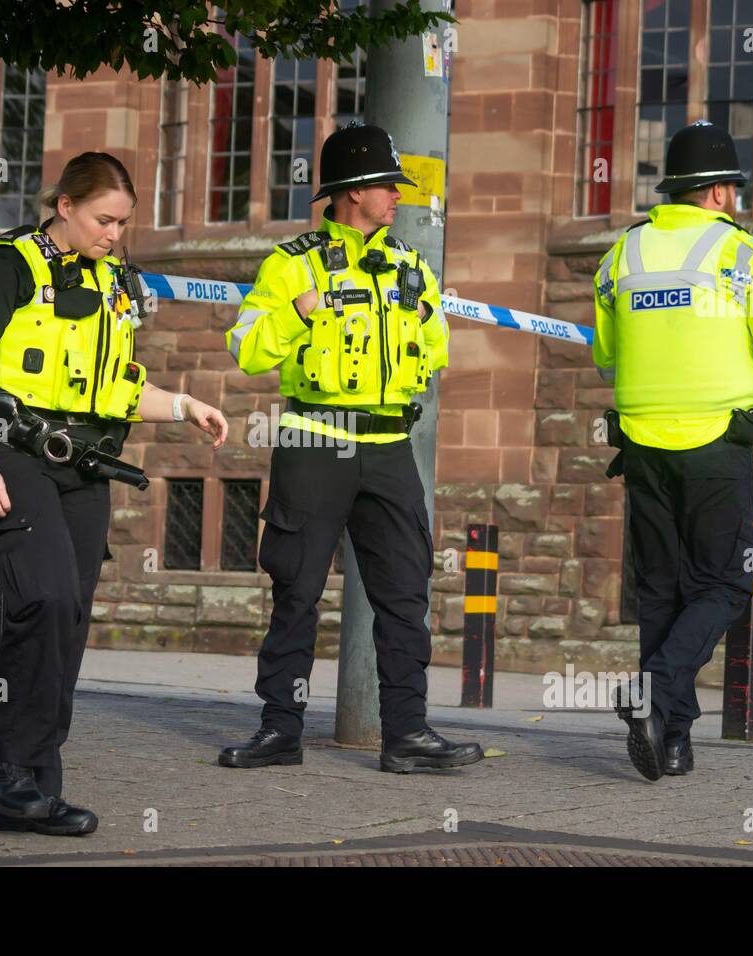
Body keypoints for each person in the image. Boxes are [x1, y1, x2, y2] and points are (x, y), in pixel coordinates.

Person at [0, 151, 229, 836]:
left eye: (123, 223)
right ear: (65, 206)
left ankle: (33, 778)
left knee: (68, 620)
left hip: (88, 466)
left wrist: (184, 403)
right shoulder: (10, 268)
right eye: (104, 219)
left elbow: (121, 387)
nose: (114, 234)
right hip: (15, 454)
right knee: (42, 599)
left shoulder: (115, 285)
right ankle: (12, 772)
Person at [219, 122, 483, 773]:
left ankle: (407, 736)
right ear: (351, 192)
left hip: (390, 444)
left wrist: (426, 323)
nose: (397, 196)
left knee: (405, 595)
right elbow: (247, 346)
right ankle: (280, 730)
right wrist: (297, 313)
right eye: (386, 185)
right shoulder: (292, 264)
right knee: (297, 591)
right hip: (317, 439)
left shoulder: (410, 265)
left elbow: (441, 350)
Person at [592, 121, 753, 780]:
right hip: (717, 441)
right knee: (724, 584)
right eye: (733, 190)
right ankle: (655, 691)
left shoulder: (620, 255)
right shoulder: (744, 255)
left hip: (643, 446)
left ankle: (672, 740)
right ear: (716, 191)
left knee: (660, 590)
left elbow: (607, 358)